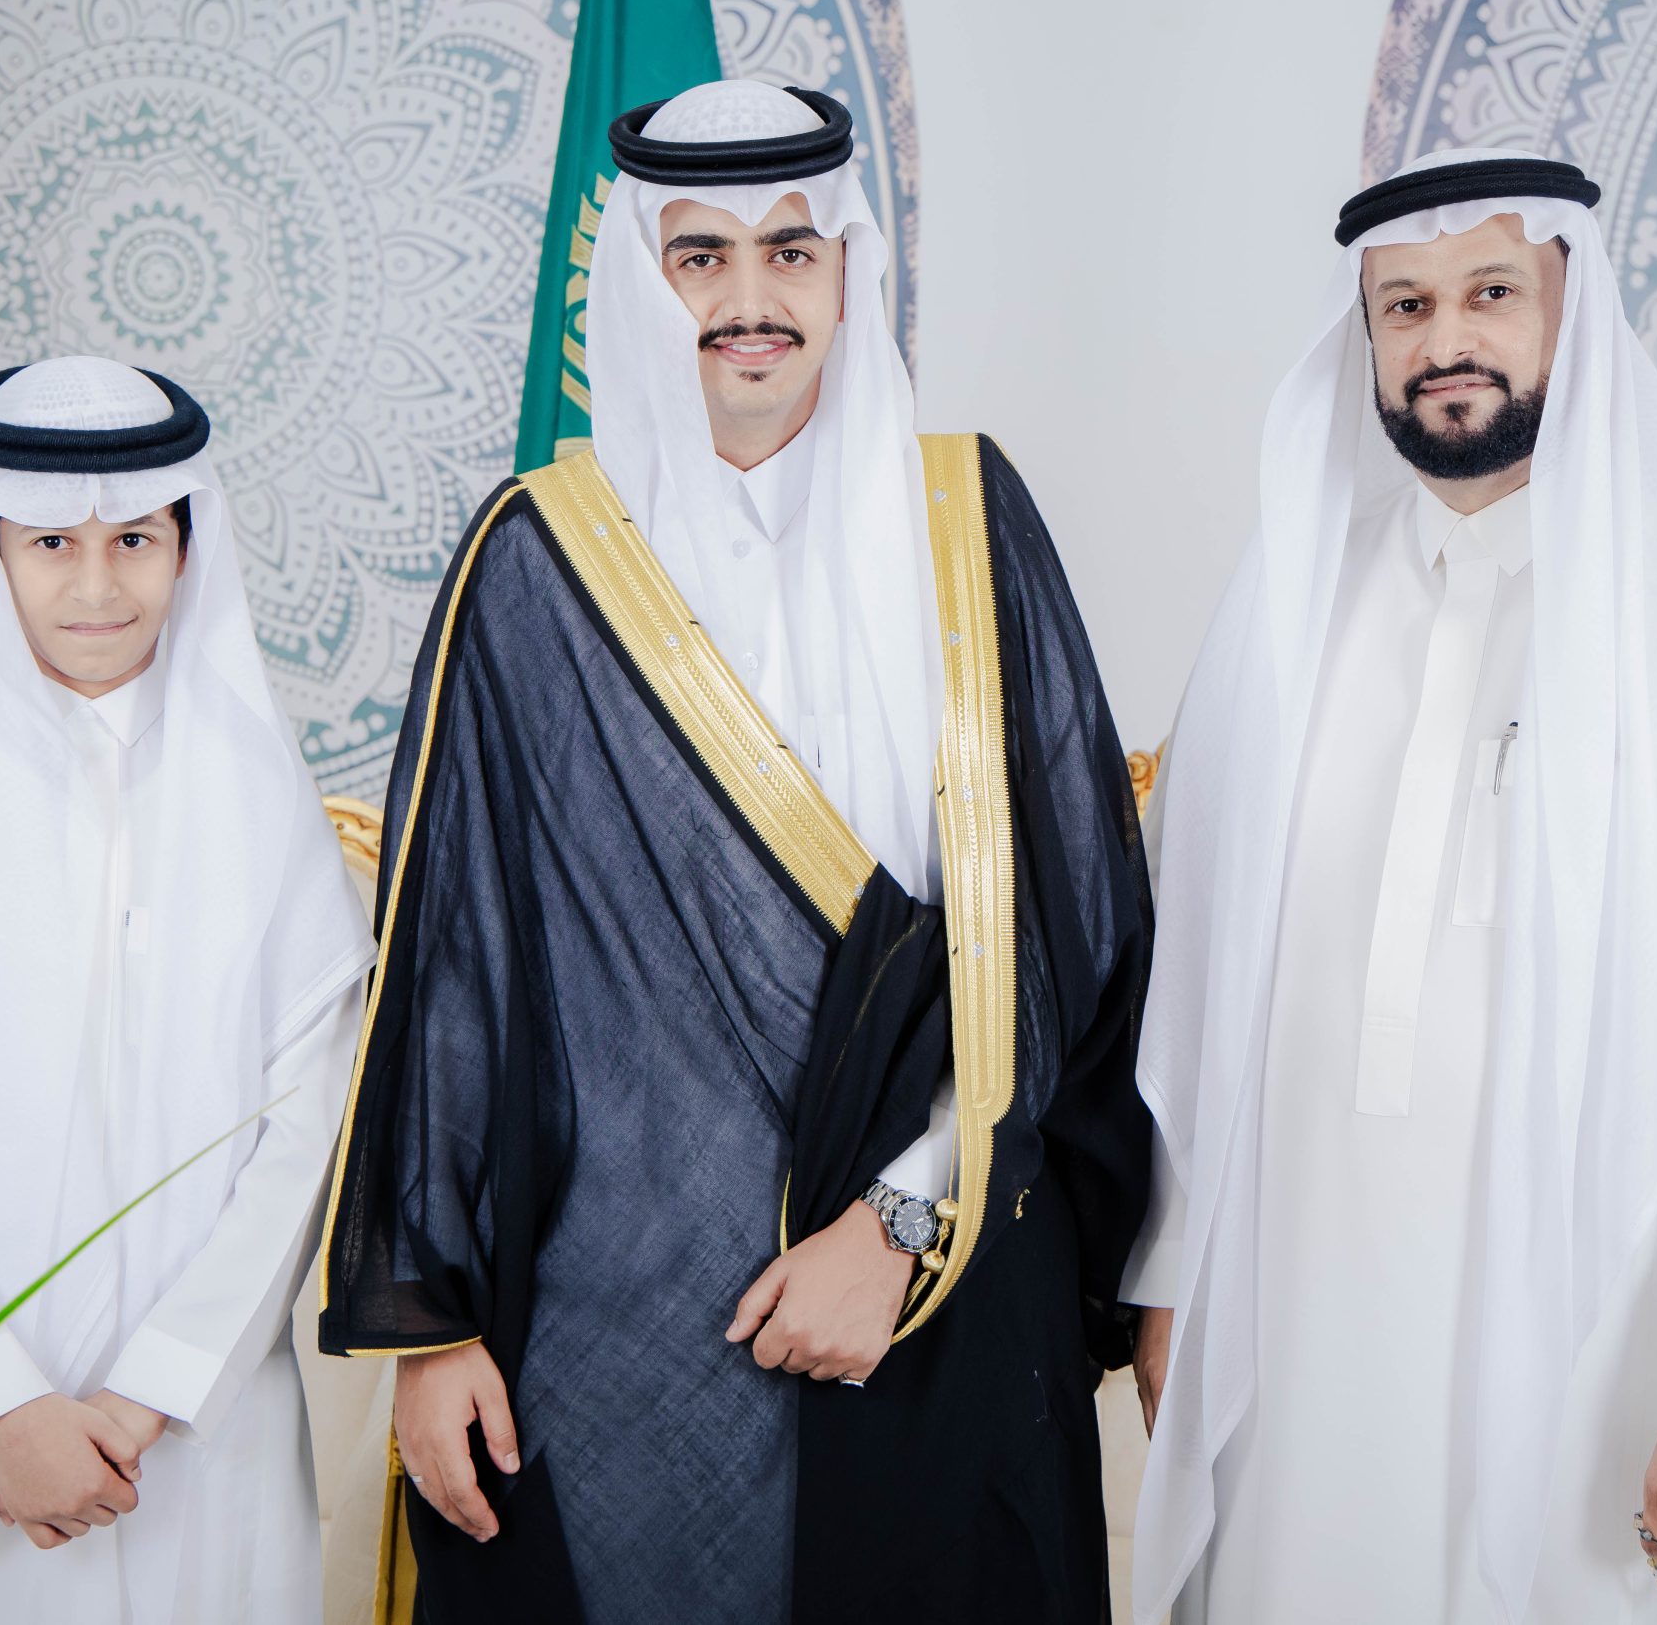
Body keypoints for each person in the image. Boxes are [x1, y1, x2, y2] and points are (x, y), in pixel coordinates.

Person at [317, 80, 1154, 1624]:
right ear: (642, 280)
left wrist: (902, 1220)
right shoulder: (536, 558)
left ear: (848, 272)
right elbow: (453, 969)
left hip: (934, 1281)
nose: (750, 298)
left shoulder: (966, 518)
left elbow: (1059, 938)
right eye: (700, 255)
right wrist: (433, 1329)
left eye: (791, 249)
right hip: (618, 1310)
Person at [1122, 151, 1657, 1623]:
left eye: (1491, 293)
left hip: (1595, 1348)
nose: (1446, 339)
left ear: (1570, 313)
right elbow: (1199, 970)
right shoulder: (1291, 607)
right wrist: (1174, 1267)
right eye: (1405, 305)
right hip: (1300, 1327)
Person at [0, 356, 375, 1624]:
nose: (97, 585)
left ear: (186, 548)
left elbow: (305, 1136)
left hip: (200, 1438)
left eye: (135, 540)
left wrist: (152, 1390)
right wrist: (2, 1408)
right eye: (51, 541)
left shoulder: (259, 804)